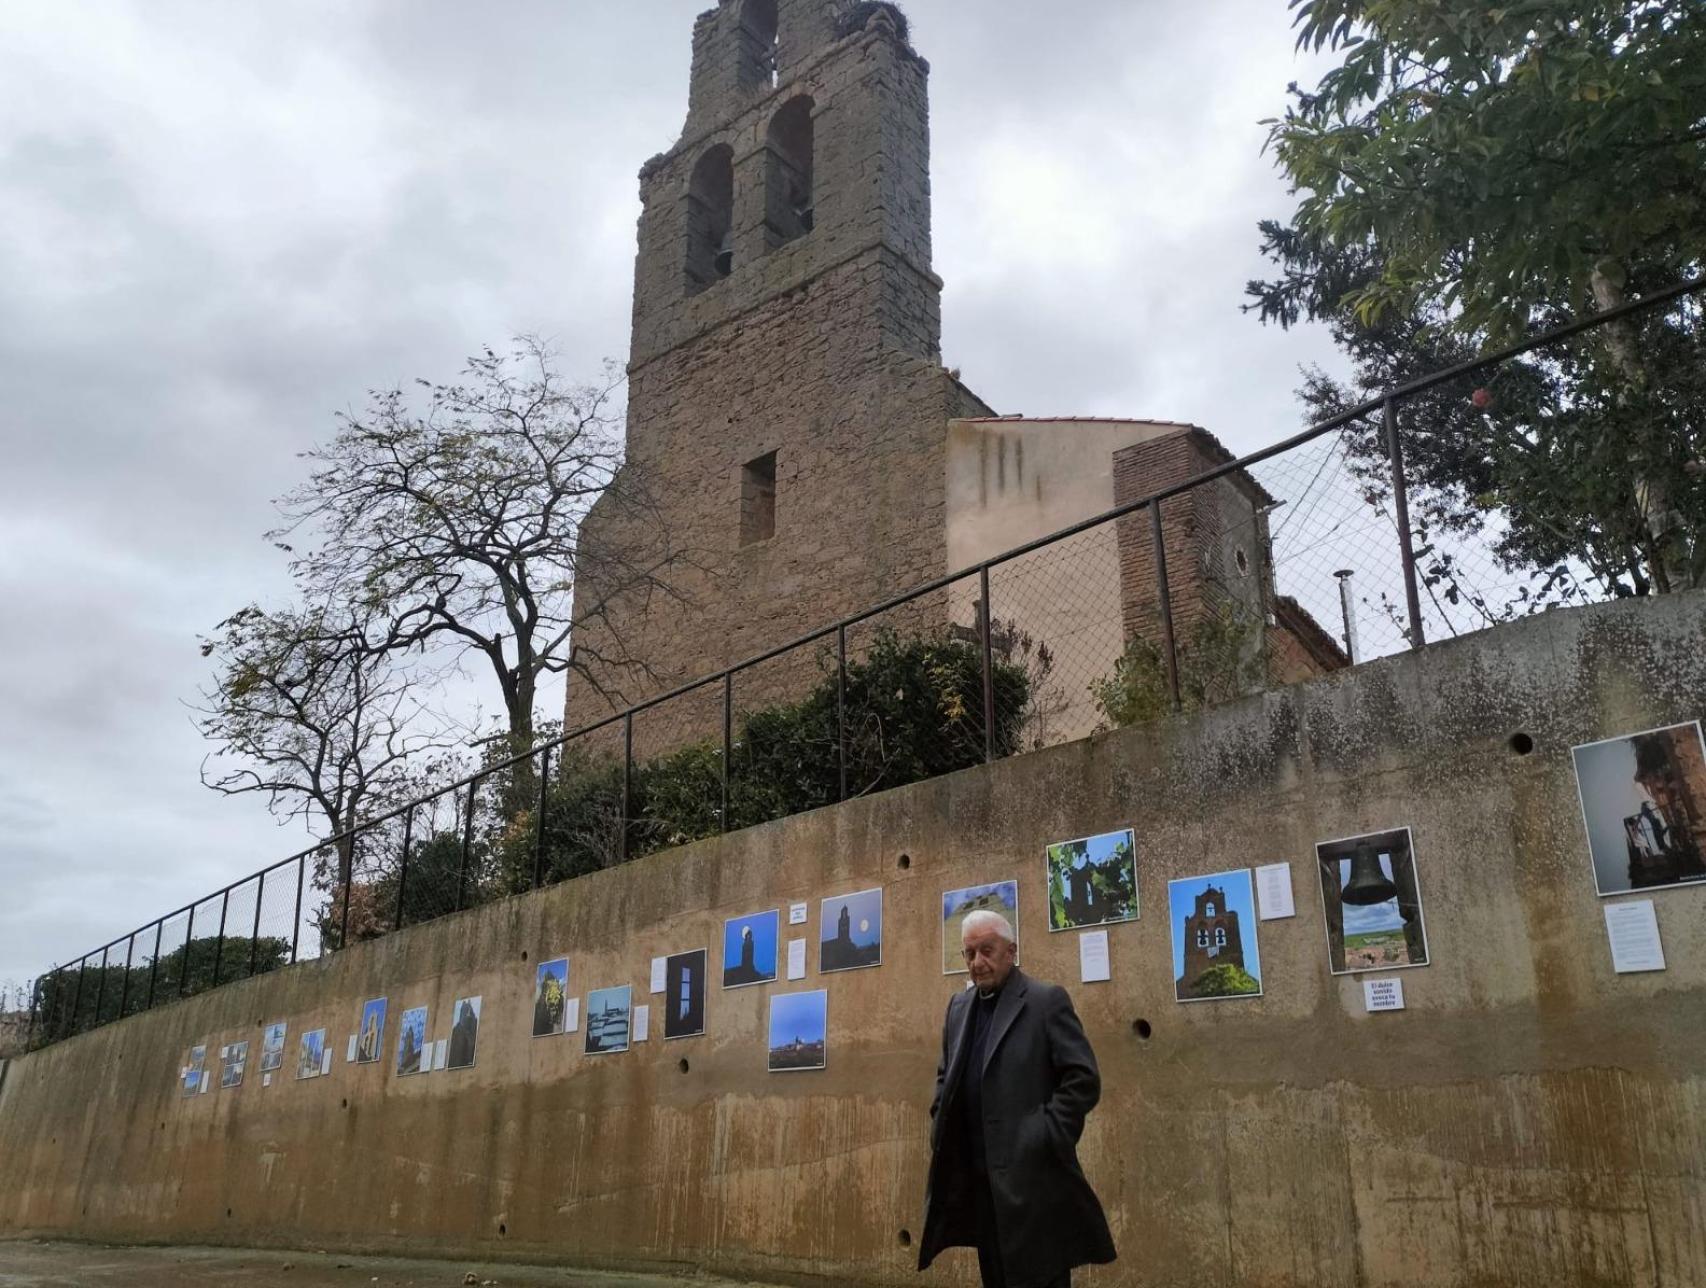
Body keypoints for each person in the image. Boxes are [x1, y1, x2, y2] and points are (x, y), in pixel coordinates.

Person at [918, 910, 1115, 1288]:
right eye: (969, 953)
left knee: (1041, 1278)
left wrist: (1043, 1134)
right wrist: (939, 1118)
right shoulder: (958, 1008)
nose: (977, 962)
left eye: (987, 950)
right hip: (982, 1187)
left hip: (1036, 1185)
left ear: (1011, 951)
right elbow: (946, 1075)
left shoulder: (1045, 1001)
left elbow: (1082, 1079)